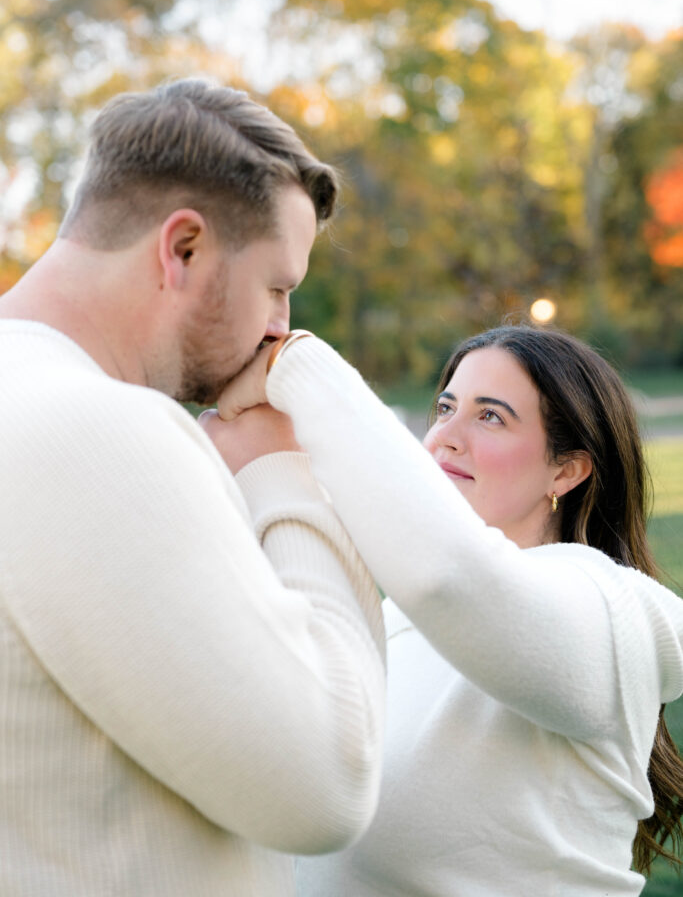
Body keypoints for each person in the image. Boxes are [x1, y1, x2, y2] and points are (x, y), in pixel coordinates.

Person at [0, 79, 386, 896]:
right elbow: (326, 782)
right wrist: (281, 470)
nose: (282, 326)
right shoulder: (98, 431)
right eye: (276, 286)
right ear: (182, 248)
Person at [207, 323, 683, 896]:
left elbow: (451, 578)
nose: (444, 439)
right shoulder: (400, 620)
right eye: (446, 408)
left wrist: (292, 364)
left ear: (566, 470)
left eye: (491, 417)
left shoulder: (615, 614)